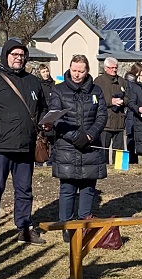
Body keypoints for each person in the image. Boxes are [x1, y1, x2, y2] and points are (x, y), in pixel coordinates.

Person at [0, 37, 45, 252]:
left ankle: (24, 228)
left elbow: (42, 110)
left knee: (25, 190)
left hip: (25, 147)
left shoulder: (33, 82)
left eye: (22, 55)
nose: (18, 58)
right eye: (14, 54)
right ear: (5, 55)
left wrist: (46, 124)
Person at [46, 54, 108, 227]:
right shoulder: (58, 90)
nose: (76, 74)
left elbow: (102, 116)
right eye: (74, 70)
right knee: (68, 189)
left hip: (91, 147)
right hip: (67, 147)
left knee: (88, 187)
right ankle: (66, 226)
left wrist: (90, 135)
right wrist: (74, 137)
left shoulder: (96, 91)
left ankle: (84, 224)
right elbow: (56, 119)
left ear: (87, 71)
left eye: (80, 71)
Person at [94, 56, 127, 161]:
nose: (114, 70)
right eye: (112, 68)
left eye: (116, 67)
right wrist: (110, 101)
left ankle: (119, 167)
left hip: (119, 122)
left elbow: (129, 97)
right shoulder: (98, 81)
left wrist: (123, 101)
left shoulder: (121, 81)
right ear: (105, 68)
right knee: (103, 149)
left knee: (119, 150)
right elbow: (94, 99)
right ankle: (103, 166)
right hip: (105, 122)